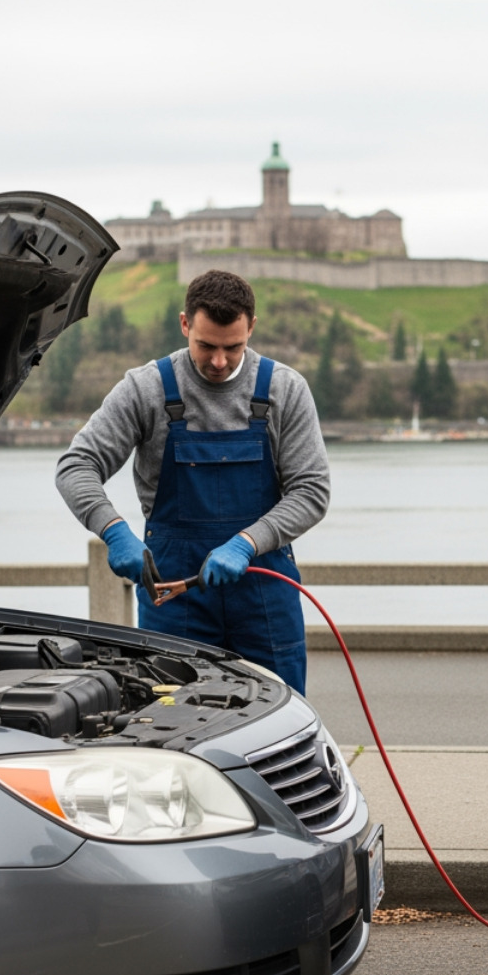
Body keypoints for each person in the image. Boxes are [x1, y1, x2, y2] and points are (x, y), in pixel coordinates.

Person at [56, 270, 328, 694]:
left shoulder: (284, 390)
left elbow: (311, 491)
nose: (219, 361)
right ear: (185, 324)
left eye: (233, 347)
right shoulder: (144, 390)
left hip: (264, 594)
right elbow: (77, 465)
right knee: (174, 726)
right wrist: (113, 530)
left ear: (251, 328)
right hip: (174, 600)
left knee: (280, 719)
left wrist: (247, 542)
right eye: (206, 346)